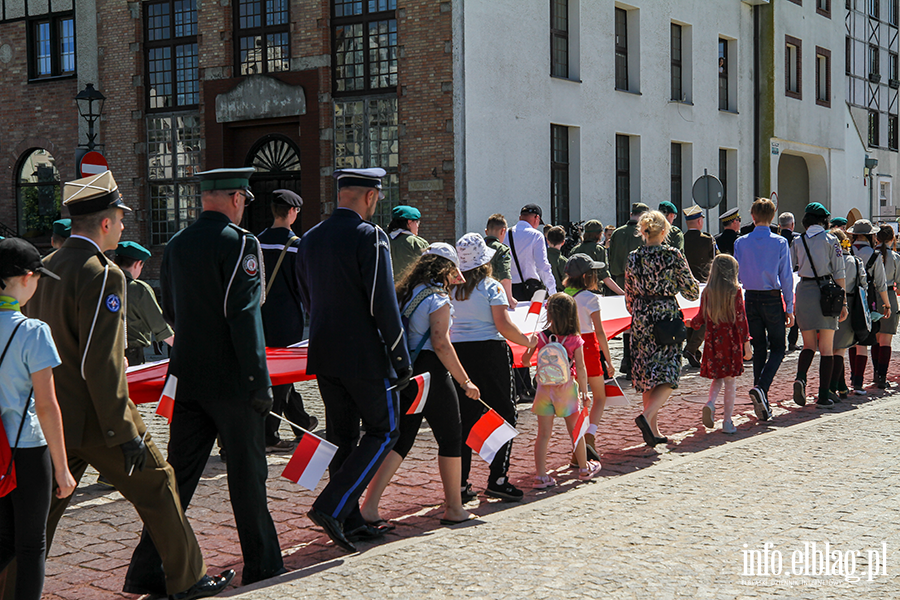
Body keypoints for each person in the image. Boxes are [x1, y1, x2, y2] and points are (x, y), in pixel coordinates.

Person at [21, 171, 233, 600]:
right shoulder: (103, 274)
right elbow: (102, 363)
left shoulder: (44, 269)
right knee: (158, 486)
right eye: (119, 218)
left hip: (52, 419)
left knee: (37, 518)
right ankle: (187, 580)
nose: (121, 225)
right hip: (100, 419)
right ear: (104, 223)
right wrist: (126, 431)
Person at [126, 167, 283, 591]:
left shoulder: (176, 245)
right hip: (234, 381)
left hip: (189, 377)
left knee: (178, 477)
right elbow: (245, 316)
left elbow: (172, 308)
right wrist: (258, 378)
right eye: (244, 200)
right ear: (236, 198)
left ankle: (148, 567)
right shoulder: (240, 243)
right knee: (248, 476)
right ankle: (264, 563)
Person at [296, 167, 412, 553]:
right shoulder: (370, 235)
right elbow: (383, 301)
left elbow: (307, 297)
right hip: (363, 353)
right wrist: (400, 355)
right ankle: (333, 505)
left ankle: (349, 518)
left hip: (324, 350)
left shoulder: (309, 238)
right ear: (371, 197)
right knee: (385, 430)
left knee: (342, 436)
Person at [361, 244, 475, 526]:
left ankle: (370, 506)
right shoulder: (438, 299)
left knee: (402, 438)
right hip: (432, 373)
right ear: (446, 269)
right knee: (451, 436)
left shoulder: (405, 293)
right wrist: (466, 381)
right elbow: (441, 343)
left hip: (407, 372)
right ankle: (454, 507)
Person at [0, 238, 76, 600]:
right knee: (31, 545)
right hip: (26, 449)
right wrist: (62, 468)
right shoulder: (33, 332)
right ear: (27, 278)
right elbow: (47, 405)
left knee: (3, 539)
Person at [449, 233, 537, 502]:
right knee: (504, 413)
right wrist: (528, 341)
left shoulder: (449, 287)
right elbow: (503, 325)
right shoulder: (491, 286)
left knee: (463, 418)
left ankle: (461, 484)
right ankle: (498, 477)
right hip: (490, 352)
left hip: (458, 353)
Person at [625, 210, 700, 446]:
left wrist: (639, 310)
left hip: (640, 317)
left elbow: (628, 296)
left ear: (642, 231)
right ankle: (647, 418)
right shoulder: (673, 255)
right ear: (665, 230)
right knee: (669, 373)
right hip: (665, 316)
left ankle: (653, 430)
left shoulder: (633, 257)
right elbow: (691, 291)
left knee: (648, 375)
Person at [256, 189, 317, 452]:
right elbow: (305, 286)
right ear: (292, 212)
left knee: (272, 373)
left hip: (259, 316)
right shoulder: (296, 245)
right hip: (287, 318)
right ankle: (268, 434)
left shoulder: (255, 242)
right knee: (281, 376)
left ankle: (301, 421)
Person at [521, 293, 602, 488]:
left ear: (549, 314)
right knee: (576, 431)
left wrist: (531, 344)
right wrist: (584, 392)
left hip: (543, 389)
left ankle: (541, 476)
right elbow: (581, 368)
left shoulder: (540, 336)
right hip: (566, 388)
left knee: (543, 434)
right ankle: (584, 468)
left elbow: (524, 362)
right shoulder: (575, 339)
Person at [733, 198, 795, 422]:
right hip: (771, 297)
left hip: (750, 297)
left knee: (759, 347)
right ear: (772, 217)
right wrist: (790, 307)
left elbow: (737, 276)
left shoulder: (741, 242)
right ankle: (762, 387)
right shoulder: (779, 242)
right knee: (779, 347)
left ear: (752, 216)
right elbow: (786, 277)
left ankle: (761, 395)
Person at [791, 203, 848, 408]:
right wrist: (843, 302)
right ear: (824, 220)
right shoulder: (831, 240)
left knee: (808, 345)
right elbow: (840, 272)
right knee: (826, 348)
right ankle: (824, 396)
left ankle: (800, 377)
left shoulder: (798, 241)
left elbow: (793, 267)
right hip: (826, 293)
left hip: (804, 291)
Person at [687, 255, 751, 434]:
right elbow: (741, 320)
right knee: (730, 382)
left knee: (717, 377)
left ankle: (710, 403)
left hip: (712, 340)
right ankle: (728, 421)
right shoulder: (735, 291)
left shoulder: (707, 291)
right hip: (731, 341)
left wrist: (690, 323)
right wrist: (746, 343)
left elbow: (700, 319)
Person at [561, 254, 612, 460]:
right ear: (585, 276)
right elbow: (600, 331)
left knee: (575, 401)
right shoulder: (591, 298)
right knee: (599, 396)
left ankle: (578, 447)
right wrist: (608, 359)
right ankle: (590, 434)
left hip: (568, 349)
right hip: (589, 347)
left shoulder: (562, 297)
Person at [504, 204, 556, 401]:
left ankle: (518, 383)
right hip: (530, 290)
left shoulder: (506, 233)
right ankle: (525, 385)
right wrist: (553, 291)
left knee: (513, 335)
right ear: (535, 218)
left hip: (509, 290)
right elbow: (543, 266)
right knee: (529, 335)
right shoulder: (535, 236)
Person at [847, 219, 891, 393]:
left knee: (850, 341)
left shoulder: (847, 251)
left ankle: (851, 377)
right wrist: (887, 305)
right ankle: (858, 382)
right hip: (866, 300)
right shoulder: (874, 255)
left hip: (847, 298)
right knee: (863, 340)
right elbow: (881, 284)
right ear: (871, 236)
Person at [114, 241, 174, 367]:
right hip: (131, 355)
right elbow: (160, 326)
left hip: (105, 351)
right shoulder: (138, 289)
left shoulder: (103, 283)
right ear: (137, 264)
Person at [608, 202, 649, 378]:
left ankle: (626, 359)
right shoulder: (643, 233)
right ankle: (636, 361)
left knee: (625, 322)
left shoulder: (617, 233)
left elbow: (610, 257)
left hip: (619, 280)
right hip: (639, 281)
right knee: (639, 322)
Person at [682, 204, 717, 368]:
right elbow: (715, 258)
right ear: (699, 221)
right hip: (703, 283)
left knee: (690, 317)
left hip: (686, 285)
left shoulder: (682, 240)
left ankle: (693, 351)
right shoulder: (708, 239)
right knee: (704, 318)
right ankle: (691, 348)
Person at [830, 229, 863, 400]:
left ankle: (841, 386)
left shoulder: (828, 260)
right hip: (848, 302)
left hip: (828, 303)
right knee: (840, 350)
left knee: (831, 348)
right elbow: (862, 283)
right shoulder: (854, 261)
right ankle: (833, 387)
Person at [873, 225, 899, 388]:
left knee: (875, 338)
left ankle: (875, 372)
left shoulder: (871, 255)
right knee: (886, 340)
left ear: (876, 238)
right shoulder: (895, 257)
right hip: (888, 294)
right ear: (892, 239)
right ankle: (882, 376)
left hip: (873, 296)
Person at [571, 220, 624, 295]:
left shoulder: (575, 250)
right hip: (594, 292)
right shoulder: (599, 250)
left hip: (576, 292)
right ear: (599, 234)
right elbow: (605, 277)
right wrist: (622, 293)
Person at [778, 212, 802, 352]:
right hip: (794, 276)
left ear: (780, 225)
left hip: (777, 277)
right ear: (792, 224)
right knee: (794, 308)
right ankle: (792, 341)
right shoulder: (797, 238)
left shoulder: (777, 237)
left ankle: (776, 340)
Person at [483, 214, 517, 309]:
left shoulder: (478, 247)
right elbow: (504, 275)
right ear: (503, 231)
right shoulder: (502, 249)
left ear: (486, 232)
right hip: (495, 296)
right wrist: (509, 299)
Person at [387, 205, 428, 279]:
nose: (418, 226)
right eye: (417, 222)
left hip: (388, 289)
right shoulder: (417, 242)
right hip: (412, 288)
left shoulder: (384, 239)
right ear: (409, 223)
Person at [546, 226, 568, 292]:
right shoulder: (564, 261)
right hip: (559, 295)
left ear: (547, 241)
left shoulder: (540, 257)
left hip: (541, 296)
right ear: (563, 242)